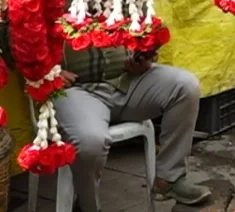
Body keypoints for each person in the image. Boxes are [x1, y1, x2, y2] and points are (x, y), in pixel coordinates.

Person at [54, 45, 211, 211]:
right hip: (77, 89)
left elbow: (146, 36)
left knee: (185, 87)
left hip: (129, 80)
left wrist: (145, 57)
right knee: (90, 141)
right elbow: (27, 46)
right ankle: (87, 206)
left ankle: (170, 178)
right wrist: (50, 72)